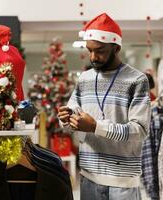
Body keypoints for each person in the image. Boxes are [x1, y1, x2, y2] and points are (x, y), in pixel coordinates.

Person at [58, 13, 151, 200]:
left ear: (116, 48)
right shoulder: (84, 79)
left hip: (122, 181)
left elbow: (139, 131)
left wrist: (95, 127)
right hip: (88, 176)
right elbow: (69, 124)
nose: (93, 57)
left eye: (99, 51)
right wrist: (66, 119)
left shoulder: (137, 80)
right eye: (89, 50)